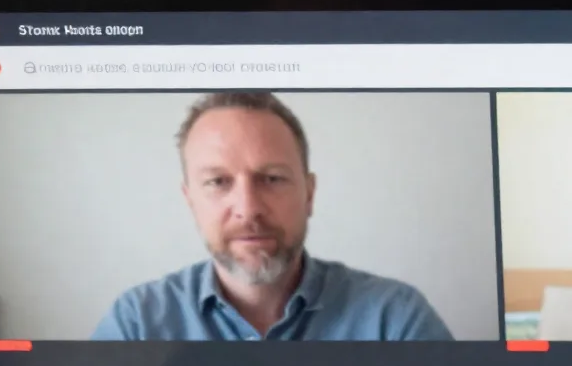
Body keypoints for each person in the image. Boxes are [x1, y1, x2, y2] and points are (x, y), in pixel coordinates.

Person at [93, 92, 454, 341]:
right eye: (218, 182)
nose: (248, 208)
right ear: (190, 201)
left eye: (272, 179)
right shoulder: (136, 322)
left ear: (309, 194)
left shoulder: (393, 320)